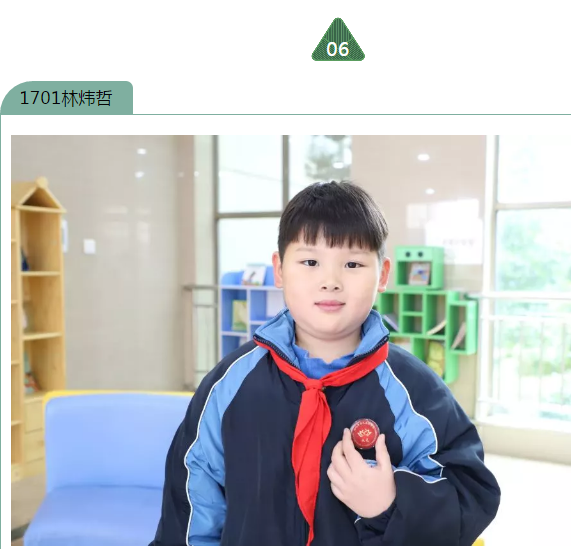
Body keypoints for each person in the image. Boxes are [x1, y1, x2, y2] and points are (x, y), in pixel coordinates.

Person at [150, 181, 501, 546]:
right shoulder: (229, 383)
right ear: (280, 269)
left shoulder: (414, 391)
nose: (330, 281)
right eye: (310, 262)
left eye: (352, 263)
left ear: (382, 275)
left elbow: (470, 495)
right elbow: (190, 504)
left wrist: (392, 503)